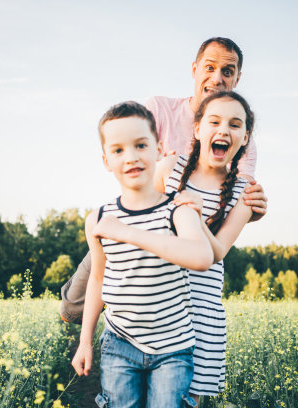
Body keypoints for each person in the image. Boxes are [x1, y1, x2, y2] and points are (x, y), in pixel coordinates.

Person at [60, 36, 267, 323]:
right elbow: (128, 161)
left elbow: (238, 200)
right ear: (194, 69)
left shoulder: (240, 140)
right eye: (209, 68)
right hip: (139, 219)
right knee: (74, 308)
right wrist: (158, 169)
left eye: (227, 72)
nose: (217, 78)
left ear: (237, 78)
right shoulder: (160, 109)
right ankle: (78, 345)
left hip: (190, 239)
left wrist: (253, 210)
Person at [71, 101, 213, 407]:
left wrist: (128, 233)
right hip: (119, 345)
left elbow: (202, 258)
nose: (131, 157)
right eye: (119, 150)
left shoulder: (178, 208)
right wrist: (85, 342)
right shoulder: (98, 219)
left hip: (173, 349)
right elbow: (98, 279)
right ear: (106, 160)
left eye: (140, 145)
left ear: (159, 149)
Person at [155, 90, 254, 404]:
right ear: (197, 129)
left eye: (235, 125)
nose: (224, 130)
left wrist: (195, 215)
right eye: (215, 121)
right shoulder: (169, 167)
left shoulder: (244, 192)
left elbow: (219, 251)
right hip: (158, 310)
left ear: (245, 137)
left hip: (203, 319)